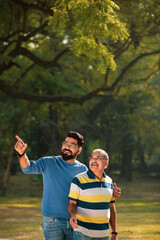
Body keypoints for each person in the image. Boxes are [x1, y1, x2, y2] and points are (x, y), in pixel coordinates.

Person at [14, 131, 121, 240]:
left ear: (79, 150)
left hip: (76, 222)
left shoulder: (83, 169)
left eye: (72, 145)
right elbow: (27, 167)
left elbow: (97, 186)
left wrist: (112, 192)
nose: (67, 147)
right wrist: (22, 153)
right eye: (65, 143)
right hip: (52, 221)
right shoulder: (48, 162)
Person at [68, 149, 118, 240]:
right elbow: (72, 204)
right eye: (92, 157)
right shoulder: (78, 180)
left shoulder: (109, 181)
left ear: (106, 163)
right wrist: (73, 215)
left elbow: (111, 207)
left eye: (98, 158)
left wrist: (114, 232)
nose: (93, 160)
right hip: (82, 234)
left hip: (104, 234)